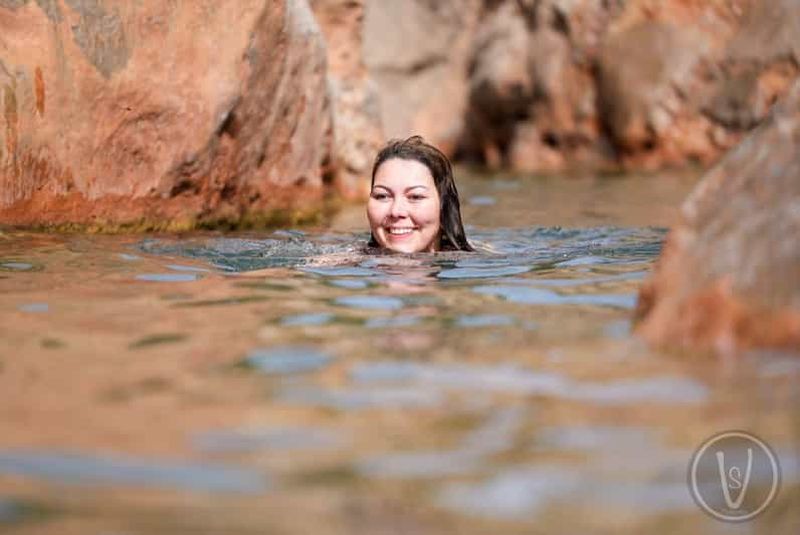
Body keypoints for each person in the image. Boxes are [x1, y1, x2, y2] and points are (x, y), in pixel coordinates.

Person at [367, 136, 474, 253]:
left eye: (415, 197)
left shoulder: (480, 265)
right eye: (382, 196)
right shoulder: (349, 262)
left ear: (444, 207)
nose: (396, 211)